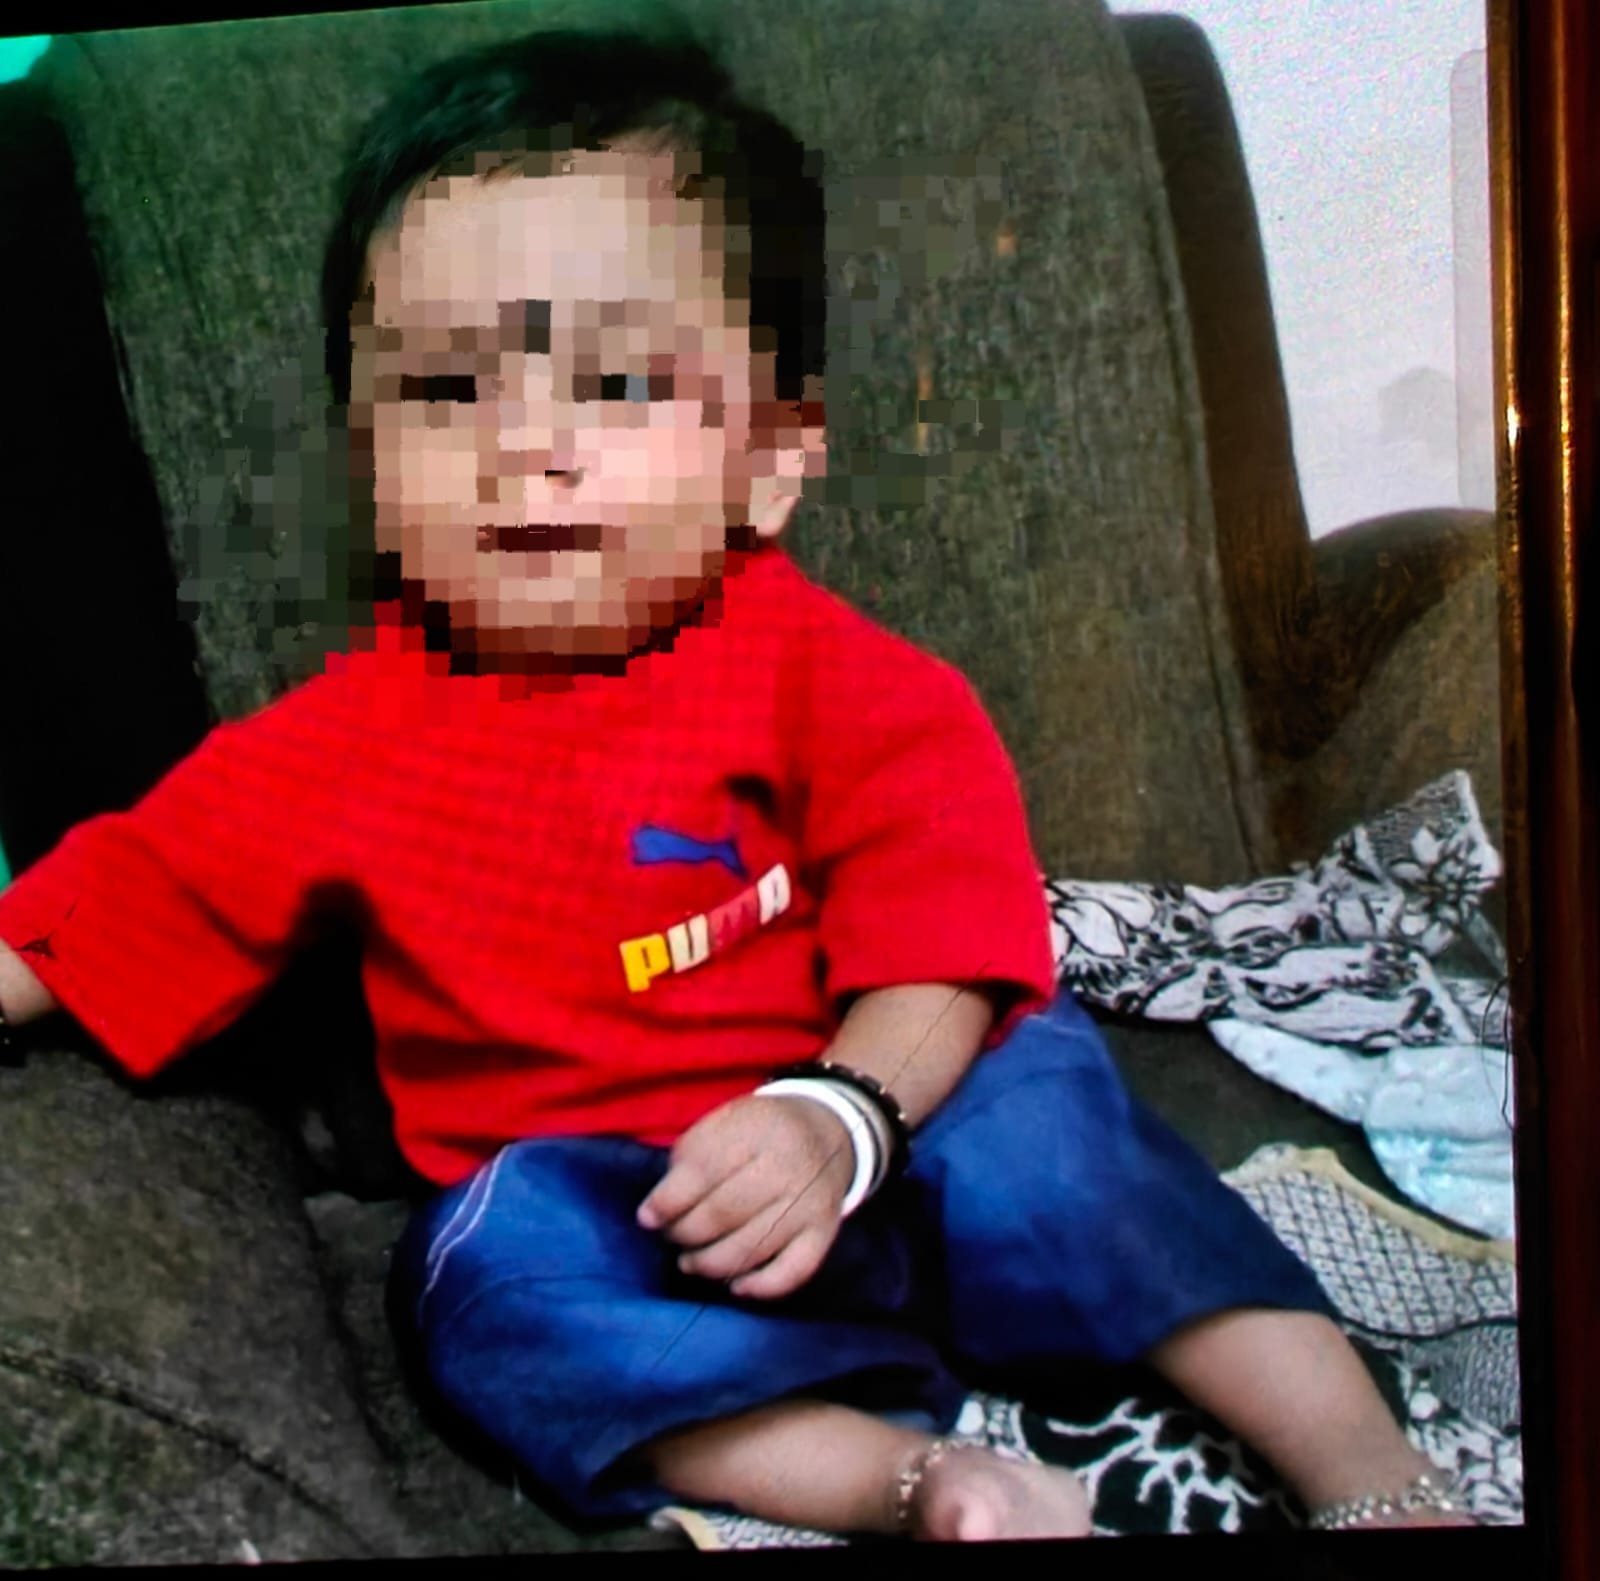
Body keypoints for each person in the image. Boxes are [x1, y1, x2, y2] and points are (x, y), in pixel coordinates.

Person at [0, 23, 1475, 1543]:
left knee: (1049, 1114)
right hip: (630, 1217)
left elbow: (947, 962)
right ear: (367, 462)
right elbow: (100, 911)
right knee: (475, 1285)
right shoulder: (331, 746)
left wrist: (839, 1115)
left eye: (616, 381)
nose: (527, 446)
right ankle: (908, 1481)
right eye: (445, 387)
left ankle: (1368, 1464)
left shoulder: (844, 682)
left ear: (771, 459)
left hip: (887, 1117)